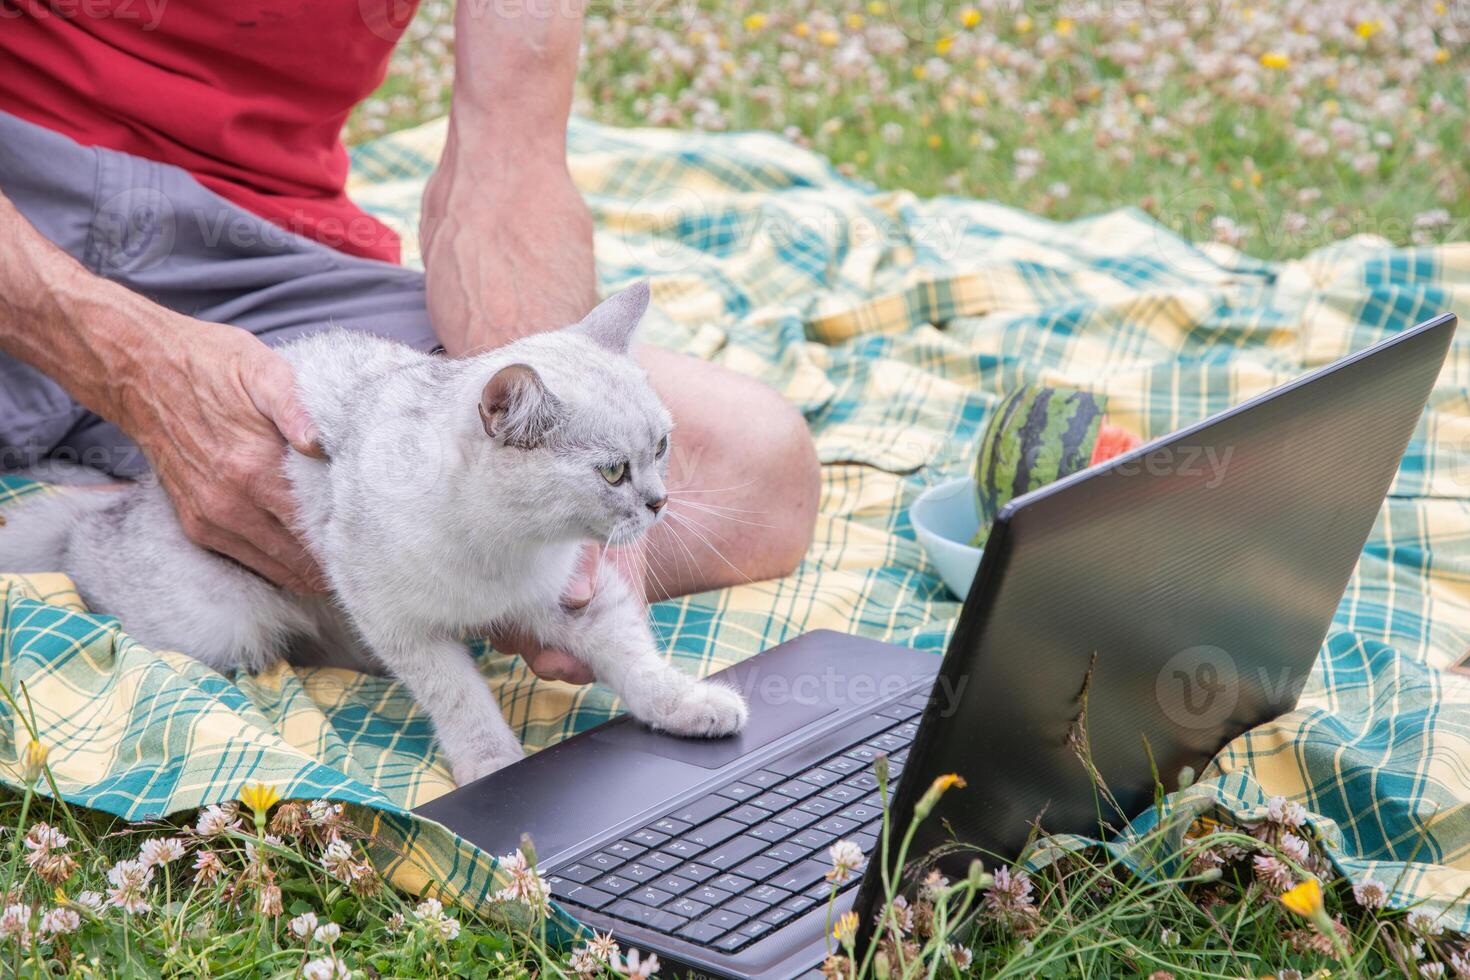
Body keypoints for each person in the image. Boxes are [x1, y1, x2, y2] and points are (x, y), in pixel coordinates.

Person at [0, 0, 820, 683]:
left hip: (258, 248)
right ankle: (143, 517)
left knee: (754, 467)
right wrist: (137, 366)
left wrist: (533, 454)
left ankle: (151, 520)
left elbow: (509, 161)